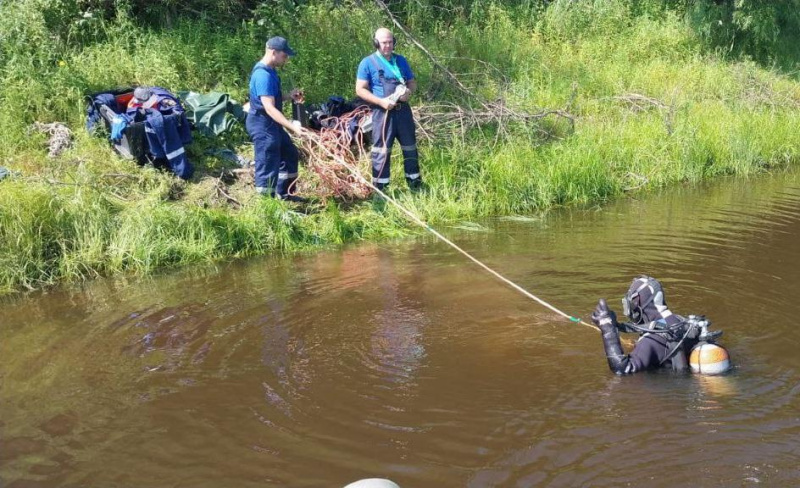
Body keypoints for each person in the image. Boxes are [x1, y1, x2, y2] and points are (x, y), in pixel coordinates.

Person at [591, 275, 713, 374]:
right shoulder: (683, 322)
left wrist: (608, 330)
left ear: (635, 306)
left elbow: (622, 369)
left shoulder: (650, 341)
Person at [355, 27, 422, 192]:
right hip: (383, 113)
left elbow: (412, 82)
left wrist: (409, 93)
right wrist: (381, 101)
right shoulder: (367, 63)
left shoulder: (401, 61)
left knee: (410, 147)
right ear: (376, 43)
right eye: (384, 43)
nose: (388, 46)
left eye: (390, 42)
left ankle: (415, 185)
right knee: (381, 151)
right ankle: (381, 189)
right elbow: (360, 89)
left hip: (403, 111)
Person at [246, 36, 308, 201]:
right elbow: (269, 108)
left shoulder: (271, 71)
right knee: (268, 162)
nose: (286, 59)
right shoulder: (262, 75)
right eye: (284, 56)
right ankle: (267, 206)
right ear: (273, 53)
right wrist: (292, 126)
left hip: (272, 124)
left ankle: (285, 194)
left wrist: (289, 96)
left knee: (289, 154)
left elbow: (274, 98)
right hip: (262, 124)